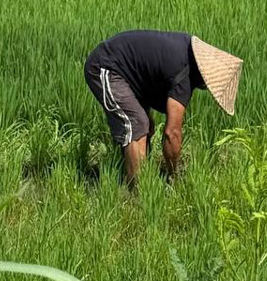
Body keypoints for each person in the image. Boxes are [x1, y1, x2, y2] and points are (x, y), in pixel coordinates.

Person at [85, 30, 243, 184]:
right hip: (106, 66)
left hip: (126, 70)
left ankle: (136, 173)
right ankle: (136, 194)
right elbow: (171, 133)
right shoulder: (184, 75)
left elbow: (152, 70)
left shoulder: (187, 51)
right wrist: (174, 174)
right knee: (137, 125)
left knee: (147, 125)